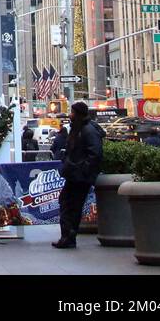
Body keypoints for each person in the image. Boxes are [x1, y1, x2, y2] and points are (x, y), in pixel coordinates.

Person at [53, 102, 104, 249]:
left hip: (79, 176)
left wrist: (82, 169)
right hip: (74, 175)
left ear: (79, 114)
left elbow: (95, 154)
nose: (70, 115)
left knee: (71, 205)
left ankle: (68, 236)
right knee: (68, 203)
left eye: (73, 112)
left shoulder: (87, 131)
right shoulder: (79, 129)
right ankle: (67, 236)